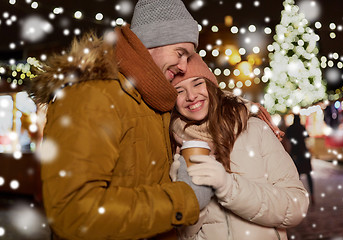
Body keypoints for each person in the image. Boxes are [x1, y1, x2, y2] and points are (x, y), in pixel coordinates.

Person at [28, 0, 214, 239]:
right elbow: (75, 213)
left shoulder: (151, 98)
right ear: (152, 41)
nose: (183, 67)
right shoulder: (91, 96)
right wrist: (184, 198)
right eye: (180, 54)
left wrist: (241, 111)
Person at [169, 54, 309, 240]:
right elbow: (184, 235)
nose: (191, 96)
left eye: (197, 83)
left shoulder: (255, 130)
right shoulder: (175, 146)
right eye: (179, 91)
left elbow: (297, 207)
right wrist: (188, 197)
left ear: (211, 86)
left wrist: (228, 186)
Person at [285, 114, 315, 204]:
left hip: (295, 154)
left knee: (296, 177)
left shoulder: (290, 128)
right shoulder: (302, 127)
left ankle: (298, 197)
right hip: (303, 152)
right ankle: (312, 195)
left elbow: (287, 139)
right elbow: (307, 136)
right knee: (308, 174)